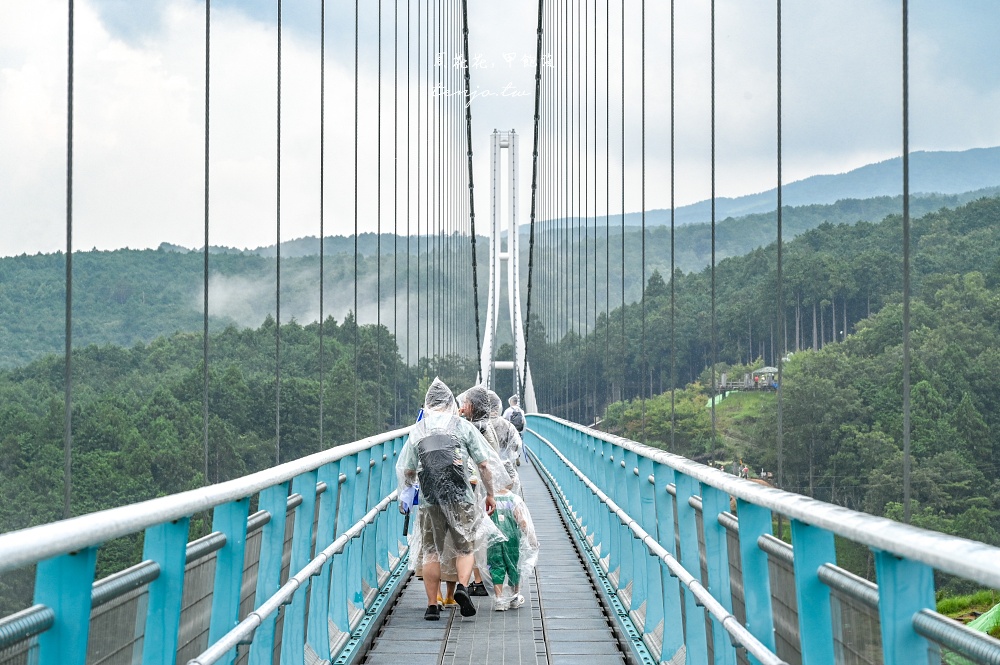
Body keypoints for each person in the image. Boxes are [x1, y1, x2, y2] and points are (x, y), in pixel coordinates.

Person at [397, 378, 509, 621]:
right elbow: (484, 464)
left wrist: (408, 490)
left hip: (430, 500)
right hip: (462, 497)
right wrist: (490, 493)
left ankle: (431, 606)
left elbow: (406, 470)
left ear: (428, 404)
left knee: (431, 552)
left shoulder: (419, 429)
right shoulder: (462, 426)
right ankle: (461, 586)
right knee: (464, 547)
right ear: (450, 402)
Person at [487, 478, 539, 611]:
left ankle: (499, 599)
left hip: (493, 539)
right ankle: (514, 597)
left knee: (496, 566)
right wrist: (531, 539)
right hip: (511, 539)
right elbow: (522, 521)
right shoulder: (514, 499)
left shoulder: (488, 499)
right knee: (514, 567)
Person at [502, 394, 526, 465]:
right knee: (518, 442)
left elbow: (503, 419)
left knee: (510, 443)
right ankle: (517, 456)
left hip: (511, 430)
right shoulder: (521, 411)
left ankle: (512, 458)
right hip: (519, 430)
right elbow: (523, 421)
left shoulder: (508, 410)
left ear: (511, 402)